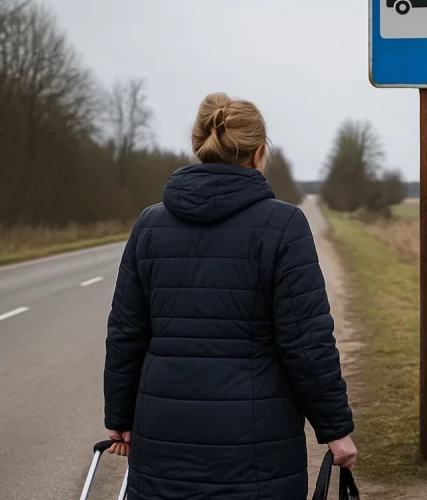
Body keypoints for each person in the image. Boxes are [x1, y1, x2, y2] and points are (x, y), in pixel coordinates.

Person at [103, 92, 357, 500]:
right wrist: (335, 429)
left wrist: (119, 416)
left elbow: (126, 332)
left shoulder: (149, 225)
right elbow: (306, 341)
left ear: (199, 147)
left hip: (163, 437)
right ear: (258, 153)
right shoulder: (284, 225)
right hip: (257, 448)